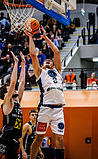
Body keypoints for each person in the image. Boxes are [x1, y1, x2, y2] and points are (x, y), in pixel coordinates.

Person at [25, 26, 65, 159]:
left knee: (60, 140)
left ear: (53, 64)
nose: (48, 60)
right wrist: (31, 37)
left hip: (59, 110)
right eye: (46, 61)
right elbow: (33, 55)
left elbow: (57, 52)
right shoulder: (40, 73)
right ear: (42, 65)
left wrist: (46, 38)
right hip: (45, 109)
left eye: (50, 60)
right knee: (39, 138)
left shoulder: (58, 72)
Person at [0, 51, 26, 159]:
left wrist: (23, 65)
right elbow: (13, 81)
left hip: (15, 140)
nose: (13, 89)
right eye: (10, 89)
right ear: (6, 94)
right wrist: (16, 63)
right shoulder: (7, 102)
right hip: (5, 139)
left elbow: (22, 82)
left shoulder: (17, 101)